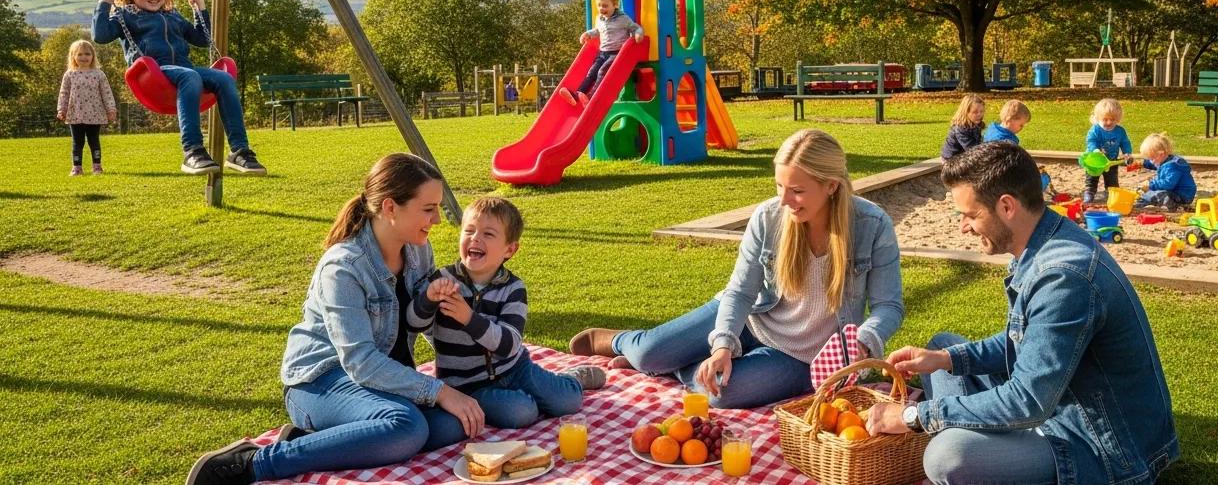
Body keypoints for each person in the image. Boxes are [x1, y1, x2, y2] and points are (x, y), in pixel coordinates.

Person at [863, 142, 1178, 485]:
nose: (963, 228)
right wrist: (943, 358)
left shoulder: (1063, 277)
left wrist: (915, 415)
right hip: (1056, 403)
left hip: (1098, 445)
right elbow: (1026, 345)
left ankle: (976, 442)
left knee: (946, 456)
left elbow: (1028, 401)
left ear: (1007, 206)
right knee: (944, 349)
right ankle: (982, 437)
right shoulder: (1042, 240)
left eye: (970, 215)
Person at [186, 154, 479, 485]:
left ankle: (313, 440)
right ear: (390, 208)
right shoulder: (343, 267)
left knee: (452, 424)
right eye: (428, 209)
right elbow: (361, 361)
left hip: (374, 382)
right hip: (319, 380)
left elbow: (420, 320)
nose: (437, 219)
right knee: (407, 426)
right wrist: (439, 390)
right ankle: (254, 463)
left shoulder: (418, 250)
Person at [568, 129, 903, 409]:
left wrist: (864, 340)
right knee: (649, 353)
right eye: (779, 186)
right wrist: (723, 346)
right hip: (751, 318)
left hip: (801, 357)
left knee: (720, 395)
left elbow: (889, 307)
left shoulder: (872, 225)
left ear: (831, 186)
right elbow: (741, 292)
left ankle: (672, 365)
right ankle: (624, 343)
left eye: (797, 191)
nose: (784, 201)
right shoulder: (769, 217)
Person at [410, 196, 605, 429]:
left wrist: (469, 319)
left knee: (568, 402)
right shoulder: (442, 281)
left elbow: (510, 344)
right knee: (521, 413)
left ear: (509, 249)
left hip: (515, 368)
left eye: (488, 234)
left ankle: (571, 379)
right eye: (469, 230)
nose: (475, 238)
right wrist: (428, 299)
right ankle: (530, 397)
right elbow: (413, 324)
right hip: (468, 385)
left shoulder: (513, 288)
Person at [92, 0, 265, 176]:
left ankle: (240, 151)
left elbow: (202, 39)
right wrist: (104, 4)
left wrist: (200, 9)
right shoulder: (125, 16)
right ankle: (193, 151)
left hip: (183, 70)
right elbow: (100, 35)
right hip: (153, 73)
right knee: (190, 76)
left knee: (224, 78)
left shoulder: (172, 15)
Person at [558, 0, 643, 106]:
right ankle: (577, 95)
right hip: (603, 52)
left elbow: (635, 27)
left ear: (615, 5)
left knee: (602, 71)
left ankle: (591, 97)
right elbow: (598, 31)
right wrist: (587, 34)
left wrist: (638, 34)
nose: (602, 8)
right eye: (599, 5)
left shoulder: (623, 19)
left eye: (605, 5)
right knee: (592, 72)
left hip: (617, 54)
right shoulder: (600, 18)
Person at [57, 39, 117, 176]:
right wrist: (61, 109)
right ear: (73, 56)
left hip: (95, 114)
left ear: (93, 56)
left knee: (93, 140)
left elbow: (107, 93)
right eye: (80, 54)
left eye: (87, 54)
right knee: (77, 142)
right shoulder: (69, 75)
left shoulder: (99, 74)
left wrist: (111, 109)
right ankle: (77, 168)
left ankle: (97, 167)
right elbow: (63, 93)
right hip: (75, 114)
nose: (84, 57)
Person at [1082, 98, 1134, 204]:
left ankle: (1110, 194)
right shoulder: (1095, 130)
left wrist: (1127, 153)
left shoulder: (1120, 131)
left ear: (1118, 119)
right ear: (1098, 118)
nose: (1109, 122)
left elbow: (1125, 142)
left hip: (1111, 160)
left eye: (1113, 119)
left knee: (1112, 180)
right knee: (1092, 178)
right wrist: (1095, 150)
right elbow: (1091, 141)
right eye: (1105, 119)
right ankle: (1089, 193)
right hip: (1095, 160)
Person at [1130, 133, 1197, 211]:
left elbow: (1168, 184)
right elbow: (1155, 164)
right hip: (1173, 193)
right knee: (1150, 194)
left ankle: (1177, 206)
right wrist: (1142, 163)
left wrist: (1151, 185)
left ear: (1161, 154)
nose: (1151, 161)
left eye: (1151, 158)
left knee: (1159, 194)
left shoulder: (1173, 166)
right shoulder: (1164, 160)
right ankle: (1139, 203)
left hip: (1182, 196)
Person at [940, 94, 984, 160]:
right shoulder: (961, 128)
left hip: (963, 156)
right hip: (951, 159)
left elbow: (977, 144)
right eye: (975, 112)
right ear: (965, 112)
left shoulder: (976, 124)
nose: (979, 115)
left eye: (981, 111)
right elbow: (970, 149)